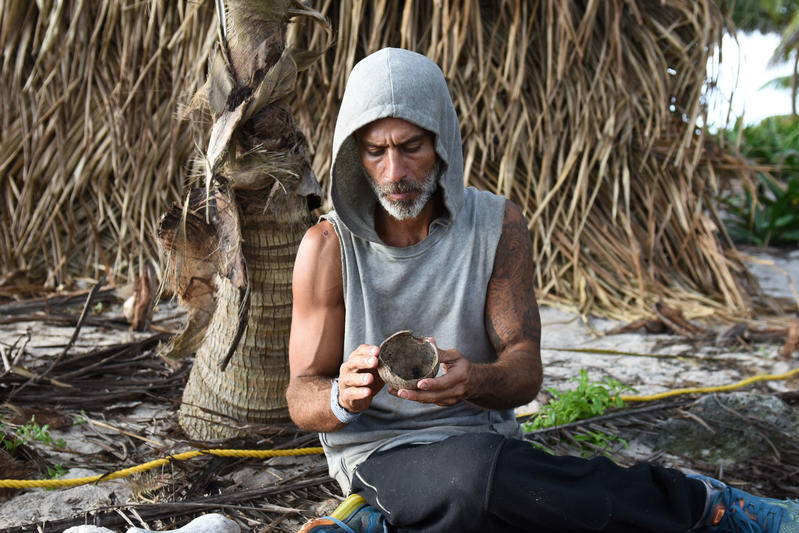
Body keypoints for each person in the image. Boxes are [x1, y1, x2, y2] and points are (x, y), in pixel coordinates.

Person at [286, 47, 799, 533]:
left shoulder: (495, 225)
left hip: (486, 448)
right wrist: (341, 395)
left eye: (411, 148)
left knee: (484, 482)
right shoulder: (329, 247)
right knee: (476, 486)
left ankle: (384, 520)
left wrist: (475, 380)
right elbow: (300, 393)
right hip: (379, 454)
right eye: (375, 151)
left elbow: (525, 371)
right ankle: (703, 509)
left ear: (442, 142)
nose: (394, 172)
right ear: (354, 152)